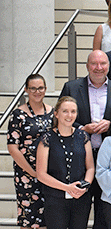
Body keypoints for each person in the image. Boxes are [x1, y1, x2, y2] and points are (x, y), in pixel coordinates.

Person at [59, 50, 111, 229]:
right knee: (79, 209)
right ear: (87, 66)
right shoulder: (72, 87)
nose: (98, 68)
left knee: (105, 211)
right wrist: (83, 129)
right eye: (94, 64)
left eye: (103, 64)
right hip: (79, 158)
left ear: (109, 66)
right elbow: (59, 118)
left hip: (109, 161)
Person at [36, 96, 95, 229]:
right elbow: (41, 174)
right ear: (56, 114)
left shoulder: (83, 136)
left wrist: (85, 185)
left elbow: (90, 167)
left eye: (73, 111)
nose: (69, 115)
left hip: (81, 198)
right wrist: (67, 188)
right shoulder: (47, 139)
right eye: (65, 111)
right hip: (55, 199)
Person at [7, 74, 53, 229]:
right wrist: (33, 172)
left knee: (47, 219)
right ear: (26, 90)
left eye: (40, 88)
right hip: (27, 175)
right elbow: (13, 148)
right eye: (32, 88)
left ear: (45, 89)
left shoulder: (53, 113)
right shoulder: (18, 115)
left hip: (49, 174)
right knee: (29, 219)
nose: (37, 91)